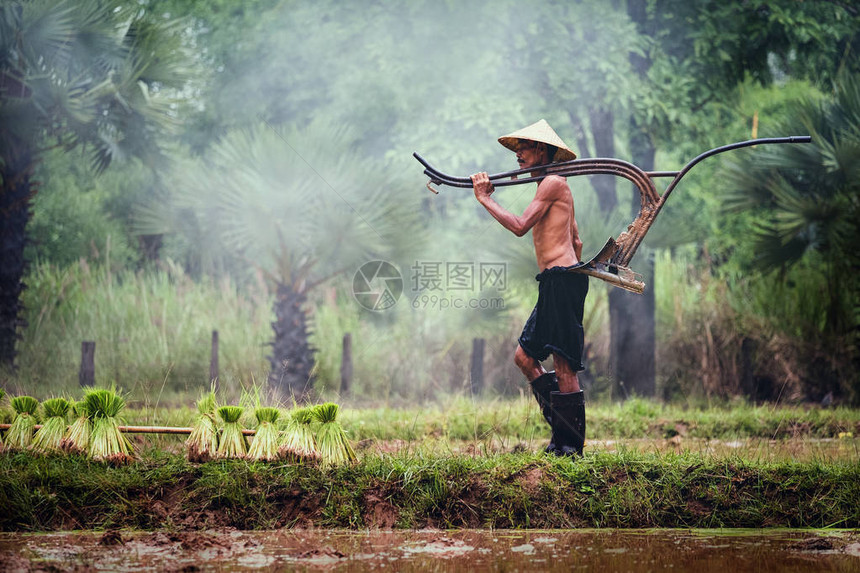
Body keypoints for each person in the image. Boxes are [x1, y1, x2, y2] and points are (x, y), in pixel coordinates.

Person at [471, 119, 588, 456]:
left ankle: (570, 449)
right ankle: (561, 436)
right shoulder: (554, 186)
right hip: (557, 280)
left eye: (523, 148)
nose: (518, 154)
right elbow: (576, 239)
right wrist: (570, 271)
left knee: (563, 364)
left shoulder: (552, 182)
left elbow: (521, 226)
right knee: (524, 357)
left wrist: (485, 199)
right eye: (517, 149)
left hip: (561, 279)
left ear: (541, 150)